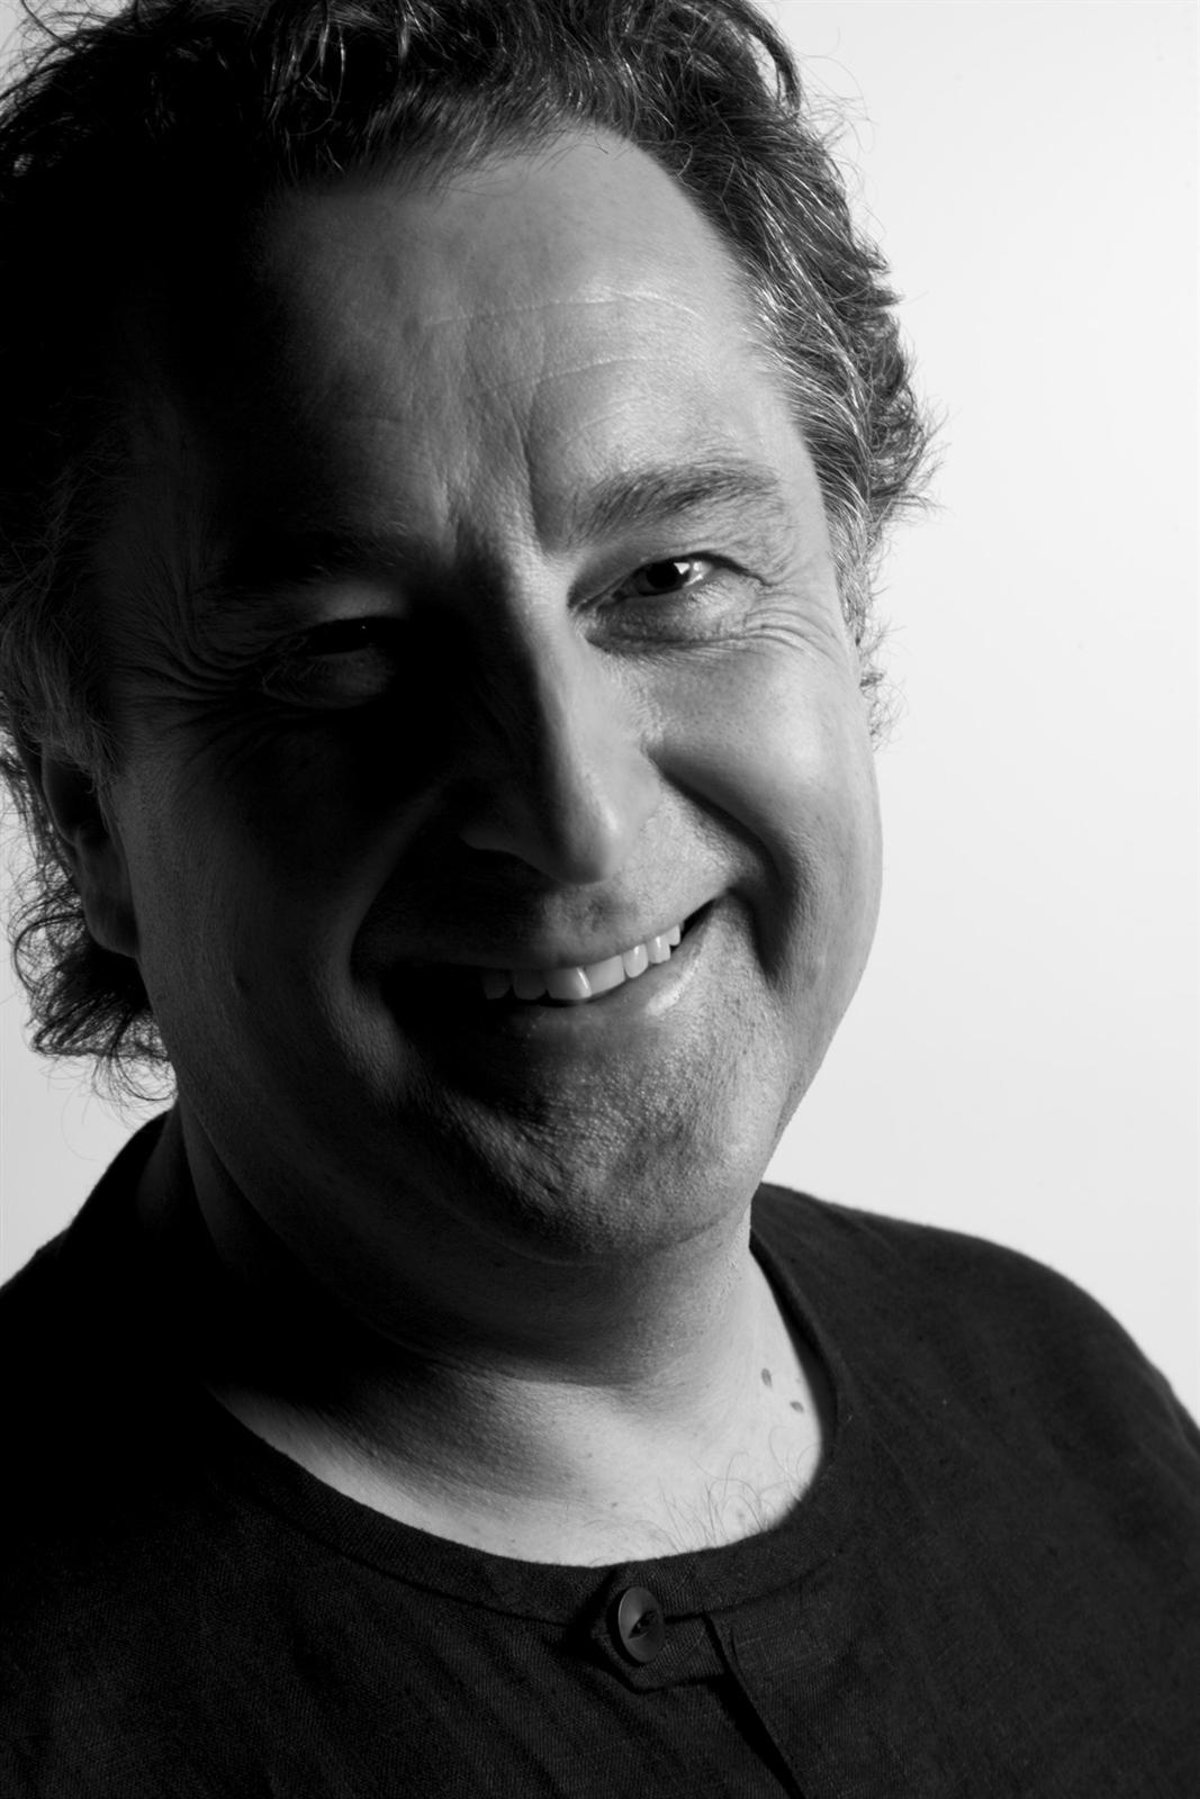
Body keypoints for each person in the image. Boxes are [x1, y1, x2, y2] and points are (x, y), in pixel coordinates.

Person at [0, 0, 1196, 1791]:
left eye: (672, 578)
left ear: (848, 603)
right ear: (87, 817)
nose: (572, 822)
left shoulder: (1064, 1392)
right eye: (340, 652)